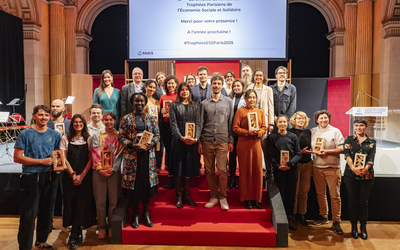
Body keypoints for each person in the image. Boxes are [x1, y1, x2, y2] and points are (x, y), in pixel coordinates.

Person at [14, 105, 61, 250]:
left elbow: (58, 156)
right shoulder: (25, 134)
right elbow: (17, 157)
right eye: (41, 115)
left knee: (47, 211)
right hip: (31, 177)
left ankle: (41, 241)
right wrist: (41, 161)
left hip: (50, 176)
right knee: (29, 214)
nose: (44, 118)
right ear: (34, 116)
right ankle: (25, 246)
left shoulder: (55, 134)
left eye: (46, 115)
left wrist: (58, 163)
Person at [119, 93, 160, 229]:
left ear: (145, 102)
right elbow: (121, 137)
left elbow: (157, 135)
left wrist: (152, 143)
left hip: (147, 158)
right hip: (132, 157)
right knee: (134, 187)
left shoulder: (151, 119)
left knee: (147, 186)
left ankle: (146, 213)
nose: (139, 103)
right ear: (133, 102)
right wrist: (132, 145)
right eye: (136, 101)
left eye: (141, 101)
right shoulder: (126, 119)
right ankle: (135, 214)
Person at [199, 74, 234, 211]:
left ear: (222, 85)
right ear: (211, 84)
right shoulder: (204, 103)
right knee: (209, 170)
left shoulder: (228, 102)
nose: (216, 85)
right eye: (214, 83)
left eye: (219, 83)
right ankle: (213, 196)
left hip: (222, 140)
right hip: (207, 140)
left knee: (222, 170)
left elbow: (230, 122)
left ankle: (223, 196)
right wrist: (199, 142)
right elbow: (201, 123)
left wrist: (230, 140)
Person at [309, 110, 344, 235]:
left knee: (335, 196)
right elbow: (310, 148)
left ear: (329, 119)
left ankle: (336, 221)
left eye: (326, 118)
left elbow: (342, 148)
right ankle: (323, 216)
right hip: (317, 167)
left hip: (332, 167)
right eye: (321, 118)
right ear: (317, 120)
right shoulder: (312, 131)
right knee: (320, 194)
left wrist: (327, 152)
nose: (323, 120)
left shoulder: (335, 131)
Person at [60, 114, 93, 249]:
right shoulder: (65, 138)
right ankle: (75, 231)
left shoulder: (89, 138)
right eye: (75, 122)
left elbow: (91, 158)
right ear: (72, 124)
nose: (78, 124)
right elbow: (64, 158)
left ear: (84, 124)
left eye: (80, 122)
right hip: (69, 176)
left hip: (84, 176)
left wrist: (82, 175)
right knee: (70, 203)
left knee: (81, 204)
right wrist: (73, 175)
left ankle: (74, 235)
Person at [233, 89, 267, 209]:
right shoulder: (240, 111)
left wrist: (258, 133)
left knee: (257, 171)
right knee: (245, 171)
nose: (252, 100)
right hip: (244, 143)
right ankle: (246, 198)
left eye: (253, 97)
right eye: (249, 97)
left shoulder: (260, 112)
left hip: (256, 143)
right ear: (245, 99)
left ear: (256, 99)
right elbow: (235, 128)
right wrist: (247, 132)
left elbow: (264, 127)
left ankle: (257, 198)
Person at [266, 115, 302, 231]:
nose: (282, 124)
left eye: (284, 122)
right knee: (281, 194)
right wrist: (277, 165)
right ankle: (281, 219)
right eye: (280, 122)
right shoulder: (272, 137)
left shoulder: (293, 137)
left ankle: (290, 217)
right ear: (277, 124)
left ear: (287, 123)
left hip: (292, 170)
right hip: (279, 171)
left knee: (291, 195)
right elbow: (270, 155)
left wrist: (290, 163)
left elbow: (298, 154)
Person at [343, 117, 376, 240]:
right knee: (352, 202)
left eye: (361, 125)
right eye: (356, 126)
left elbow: (371, 158)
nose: (359, 128)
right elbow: (346, 154)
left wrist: (364, 170)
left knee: (363, 202)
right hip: (350, 175)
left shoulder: (372, 141)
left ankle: (363, 227)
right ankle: (353, 227)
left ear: (366, 127)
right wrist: (354, 169)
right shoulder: (348, 139)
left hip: (367, 175)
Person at [169, 82, 201, 208]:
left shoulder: (196, 106)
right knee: (178, 169)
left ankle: (187, 196)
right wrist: (181, 137)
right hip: (178, 142)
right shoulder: (174, 105)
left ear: (189, 91)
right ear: (179, 92)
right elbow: (173, 123)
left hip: (191, 143)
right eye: (182, 90)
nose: (184, 92)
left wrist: (196, 138)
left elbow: (198, 123)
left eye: (186, 89)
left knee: (188, 169)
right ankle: (179, 197)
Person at [91, 112, 122, 239]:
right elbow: (95, 152)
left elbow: (120, 153)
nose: (108, 122)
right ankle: (101, 226)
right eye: (106, 119)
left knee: (114, 202)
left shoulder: (120, 136)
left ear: (115, 121)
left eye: (111, 120)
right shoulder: (97, 135)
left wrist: (113, 169)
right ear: (103, 121)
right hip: (99, 172)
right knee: (100, 202)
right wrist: (100, 169)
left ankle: (111, 226)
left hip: (114, 172)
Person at [247, 68, 275, 176]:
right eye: (256, 75)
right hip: (252, 120)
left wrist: (271, 122)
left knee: (265, 146)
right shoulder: (250, 88)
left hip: (264, 121)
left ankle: (268, 170)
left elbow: (271, 106)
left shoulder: (268, 89)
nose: (258, 77)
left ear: (263, 77)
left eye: (260, 75)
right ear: (253, 77)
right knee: (252, 146)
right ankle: (253, 169)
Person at [288, 111, 312, 227]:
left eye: (303, 119)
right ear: (294, 120)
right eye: (298, 119)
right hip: (295, 165)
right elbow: (286, 148)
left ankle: (301, 214)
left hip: (307, 164)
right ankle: (292, 214)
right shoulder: (289, 132)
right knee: (294, 191)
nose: (301, 121)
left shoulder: (308, 132)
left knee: (304, 191)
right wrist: (299, 152)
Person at [160, 75, 178, 189]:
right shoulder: (162, 97)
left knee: (176, 152)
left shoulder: (179, 96)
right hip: (166, 126)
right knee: (169, 152)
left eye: (172, 83)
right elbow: (161, 114)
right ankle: (170, 177)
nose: (170, 85)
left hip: (177, 127)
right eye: (168, 83)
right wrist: (162, 112)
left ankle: (178, 176)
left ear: (176, 84)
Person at [227, 79, 247, 189]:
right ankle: (232, 180)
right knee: (232, 157)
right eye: (234, 86)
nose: (236, 88)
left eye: (238, 86)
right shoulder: (230, 99)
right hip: (232, 132)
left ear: (243, 87)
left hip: (243, 133)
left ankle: (242, 181)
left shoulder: (246, 99)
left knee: (242, 158)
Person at [142, 80, 162, 171]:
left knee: (157, 147)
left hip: (155, 128)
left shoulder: (157, 102)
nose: (152, 89)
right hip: (143, 128)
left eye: (154, 87)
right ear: (145, 87)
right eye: (150, 86)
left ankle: (156, 167)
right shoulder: (141, 99)